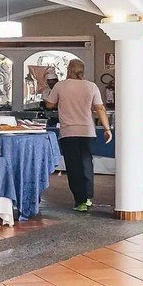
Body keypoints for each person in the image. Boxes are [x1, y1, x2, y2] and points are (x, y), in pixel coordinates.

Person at [44, 59, 112, 212]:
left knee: (73, 166)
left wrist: (47, 90)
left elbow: (49, 104)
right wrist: (107, 129)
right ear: (83, 70)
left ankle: (80, 201)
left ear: (69, 70)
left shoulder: (60, 86)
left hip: (68, 132)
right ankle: (88, 197)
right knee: (87, 163)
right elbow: (100, 108)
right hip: (87, 131)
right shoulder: (91, 86)